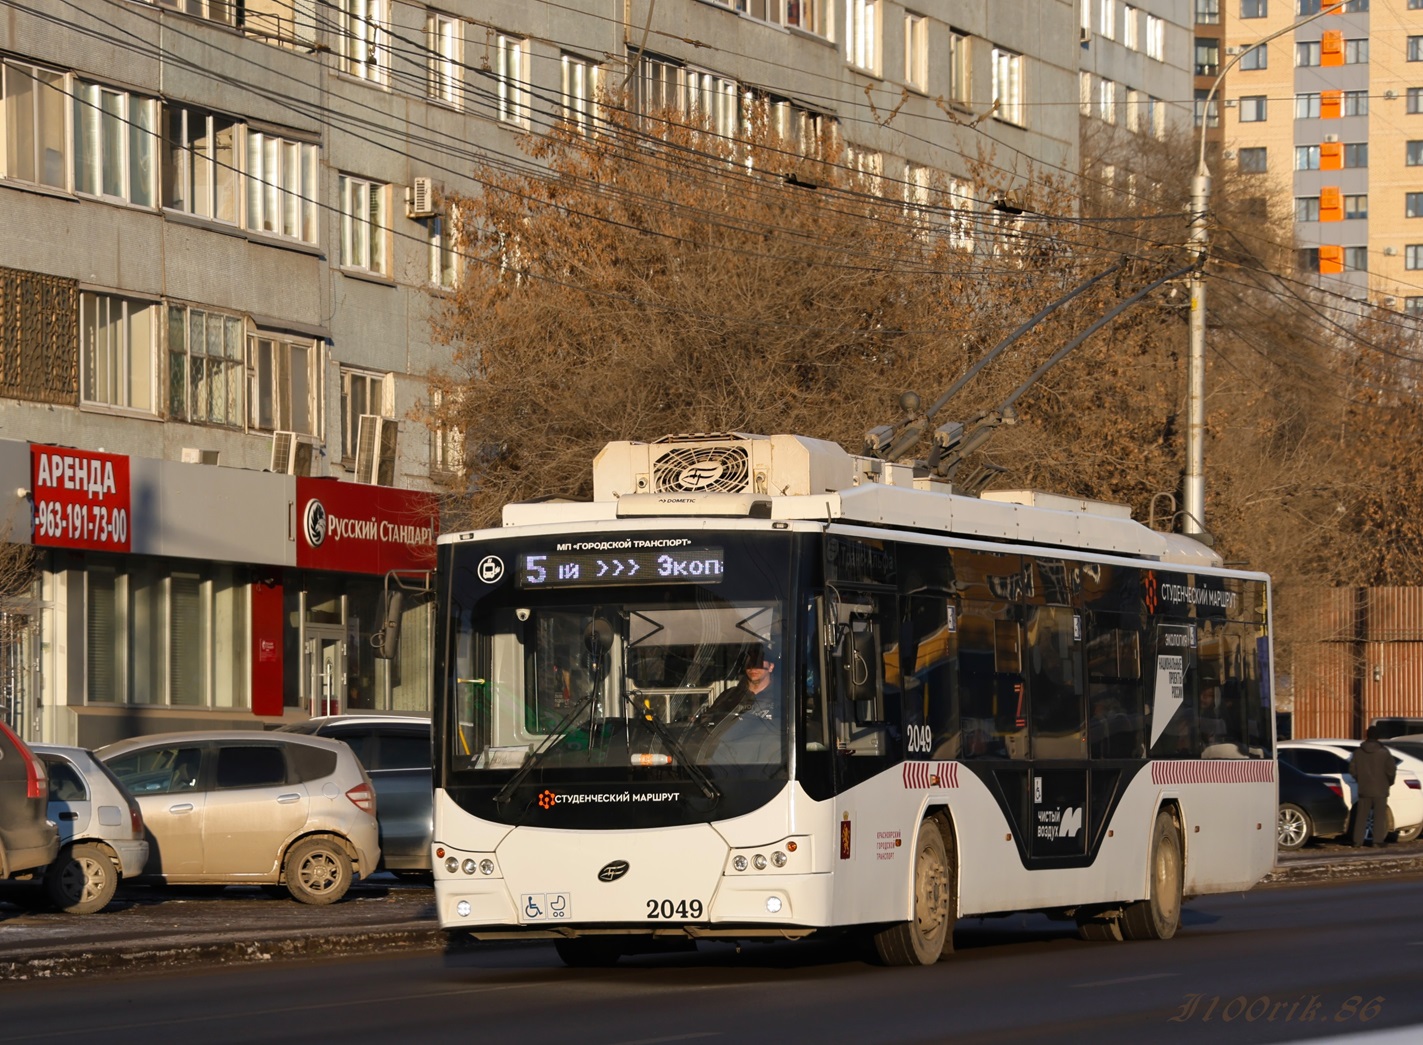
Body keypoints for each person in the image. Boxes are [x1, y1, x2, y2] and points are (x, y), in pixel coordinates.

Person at [1349, 726, 1397, 848]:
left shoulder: (1358, 752)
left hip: (1364, 788)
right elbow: (1391, 770)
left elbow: (1352, 769)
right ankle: (1377, 841)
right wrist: (1388, 782)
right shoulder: (1384, 752)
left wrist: (1359, 779)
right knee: (1379, 816)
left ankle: (1357, 841)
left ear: (1367, 735)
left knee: (1361, 816)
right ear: (1378, 736)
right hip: (1381, 788)